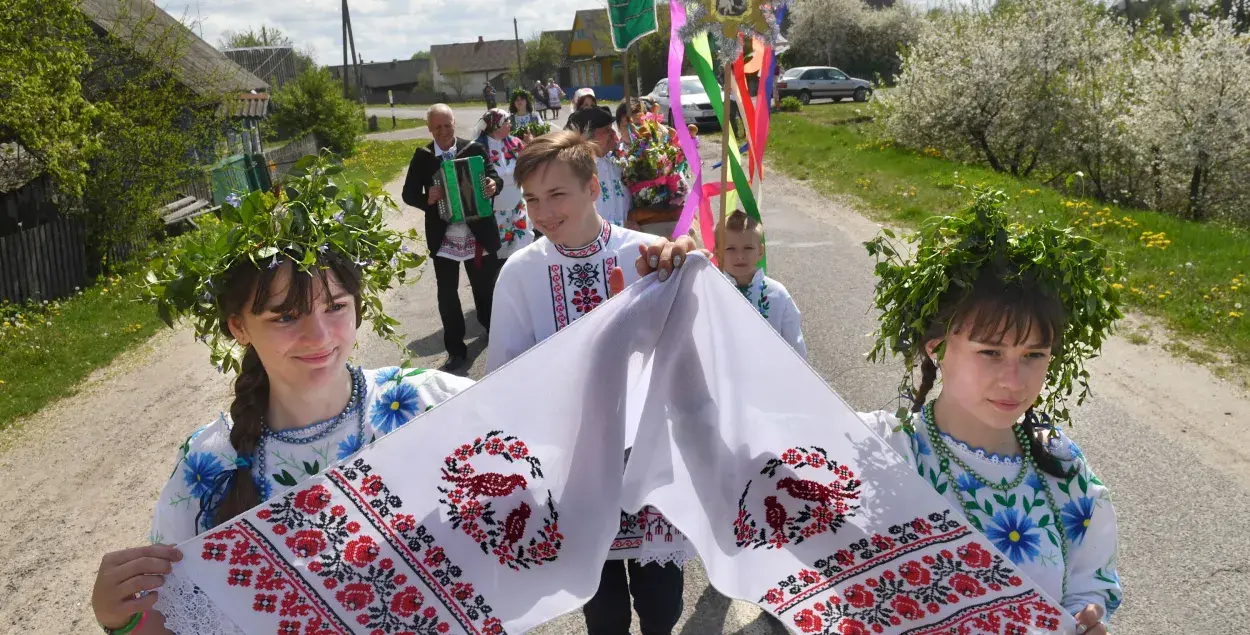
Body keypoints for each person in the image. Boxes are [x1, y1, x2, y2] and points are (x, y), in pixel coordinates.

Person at [88, 155, 478, 635]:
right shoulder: (209, 466)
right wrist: (118, 619)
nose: (319, 336)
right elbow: (174, 621)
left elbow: (553, 448)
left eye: (335, 307)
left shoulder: (428, 405)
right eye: (285, 316)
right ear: (239, 327)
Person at [858, 192, 1123, 635]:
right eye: (990, 352)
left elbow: (1089, 583)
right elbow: (738, 449)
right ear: (937, 349)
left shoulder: (1062, 467)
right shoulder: (883, 451)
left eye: (1034, 354)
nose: (1015, 382)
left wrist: (1087, 616)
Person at [485, 130, 701, 635]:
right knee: (600, 609)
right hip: (572, 466)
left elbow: (689, 352)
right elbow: (505, 377)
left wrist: (690, 273)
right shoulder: (520, 272)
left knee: (662, 604)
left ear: (592, 188)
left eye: (557, 194)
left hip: (647, 460)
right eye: (532, 199)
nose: (542, 212)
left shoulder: (649, 254)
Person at [401, 104, 503, 372]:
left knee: (484, 289)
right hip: (444, 236)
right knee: (447, 296)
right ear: (430, 129)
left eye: (448, 125)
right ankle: (456, 351)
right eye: (438, 127)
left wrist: (493, 185)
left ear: (454, 123)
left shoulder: (474, 150)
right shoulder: (423, 157)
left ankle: (495, 332)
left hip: (476, 233)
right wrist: (428, 199)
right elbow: (409, 194)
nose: (444, 131)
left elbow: (492, 176)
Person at [719, 211, 806, 359]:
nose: (740, 255)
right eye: (730, 248)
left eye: (748, 248)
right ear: (717, 252)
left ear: (760, 251)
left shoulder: (778, 294)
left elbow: (795, 346)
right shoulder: (713, 290)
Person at [475, 109, 534, 261]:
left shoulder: (515, 143)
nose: (509, 124)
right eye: (506, 122)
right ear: (495, 126)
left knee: (523, 240)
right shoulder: (479, 148)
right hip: (495, 206)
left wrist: (530, 145)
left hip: (517, 201)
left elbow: (530, 165)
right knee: (500, 248)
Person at [564, 106, 631, 228]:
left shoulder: (616, 161)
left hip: (626, 239)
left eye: (612, 128)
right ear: (587, 136)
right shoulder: (579, 171)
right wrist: (623, 226)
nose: (613, 133)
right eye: (606, 130)